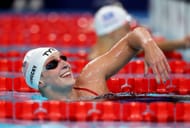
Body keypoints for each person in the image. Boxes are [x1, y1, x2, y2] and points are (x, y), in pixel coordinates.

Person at [22, 27, 171, 101]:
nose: (65, 64)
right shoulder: (46, 117)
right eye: (52, 64)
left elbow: (133, 37)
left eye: (63, 58)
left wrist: (148, 43)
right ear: (40, 81)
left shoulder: (91, 78)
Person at [88, 5, 190, 60]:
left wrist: (183, 43)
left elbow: (145, 47)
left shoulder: (109, 52)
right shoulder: (113, 58)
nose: (130, 31)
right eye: (126, 27)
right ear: (112, 32)